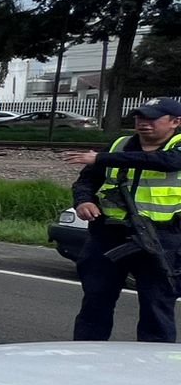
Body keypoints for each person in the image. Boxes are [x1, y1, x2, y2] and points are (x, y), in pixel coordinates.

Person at [62, 98, 181, 343]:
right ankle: (86, 356)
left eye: (152, 118)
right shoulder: (119, 145)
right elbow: (86, 181)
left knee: (156, 308)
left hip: (163, 240)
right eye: (139, 117)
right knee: (95, 302)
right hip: (109, 237)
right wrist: (83, 201)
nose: (143, 123)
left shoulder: (177, 147)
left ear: (175, 122)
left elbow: (167, 162)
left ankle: (154, 369)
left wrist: (102, 158)